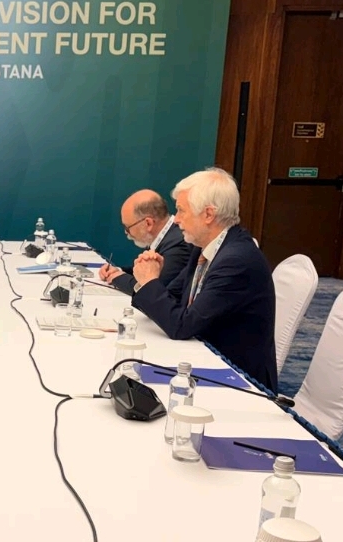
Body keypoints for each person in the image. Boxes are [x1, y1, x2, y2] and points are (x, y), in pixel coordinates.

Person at [130, 168, 278, 391]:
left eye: (181, 211)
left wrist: (150, 283)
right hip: (204, 356)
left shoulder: (236, 261)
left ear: (208, 214)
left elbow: (182, 326)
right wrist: (148, 280)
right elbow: (173, 298)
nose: (176, 220)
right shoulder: (204, 248)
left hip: (239, 379)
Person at [99, 189, 192, 294]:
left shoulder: (178, 246)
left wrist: (117, 278)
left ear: (148, 223)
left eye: (127, 227)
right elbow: (146, 273)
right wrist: (119, 270)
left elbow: (151, 287)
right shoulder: (166, 236)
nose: (126, 232)